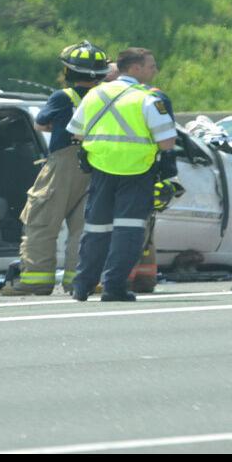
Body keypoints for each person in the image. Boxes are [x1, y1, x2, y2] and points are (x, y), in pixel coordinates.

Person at [67, 47, 177, 302]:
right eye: (151, 65)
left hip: (101, 170)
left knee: (96, 229)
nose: (154, 70)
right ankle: (113, 286)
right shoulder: (148, 99)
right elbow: (167, 142)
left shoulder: (94, 94)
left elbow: (76, 133)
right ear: (135, 68)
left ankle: (82, 285)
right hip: (136, 171)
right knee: (129, 230)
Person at [2, 41, 110, 296]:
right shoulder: (107, 99)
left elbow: (41, 123)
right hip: (98, 163)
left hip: (65, 163)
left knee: (41, 219)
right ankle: (79, 280)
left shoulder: (63, 97)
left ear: (69, 72)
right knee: (83, 226)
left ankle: (36, 280)